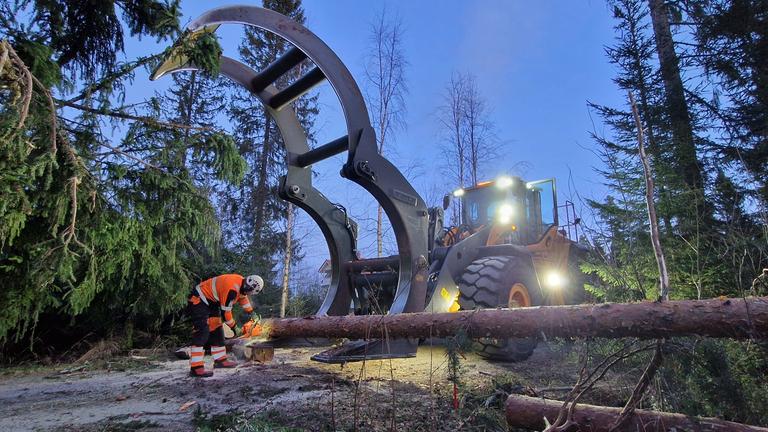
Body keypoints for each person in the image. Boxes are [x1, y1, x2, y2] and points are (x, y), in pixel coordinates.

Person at [187, 273, 263, 377]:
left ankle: (220, 360)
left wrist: (251, 313)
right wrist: (234, 327)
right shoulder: (232, 289)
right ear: (249, 286)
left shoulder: (242, 284)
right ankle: (196, 367)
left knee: (217, 330)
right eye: (249, 292)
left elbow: (243, 299)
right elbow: (225, 313)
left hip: (211, 302)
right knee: (202, 331)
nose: (248, 294)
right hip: (199, 299)